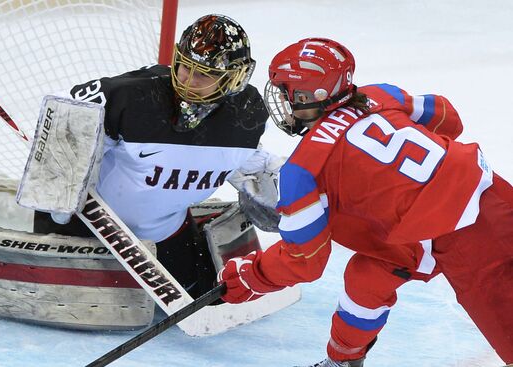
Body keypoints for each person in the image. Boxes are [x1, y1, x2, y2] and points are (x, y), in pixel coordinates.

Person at [217, 37, 513, 366]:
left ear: (308, 96)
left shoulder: (303, 172)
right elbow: (447, 117)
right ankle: (343, 359)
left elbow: (305, 261)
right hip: (494, 194)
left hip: (463, 241)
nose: (284, 102)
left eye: (287, 93)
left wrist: (250, 276)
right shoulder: (380, 94)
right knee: (366, 277)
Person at [33, 14, 281, 299]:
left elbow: (236, 155)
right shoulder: (134, 96)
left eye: (203, 74)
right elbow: (65, 112)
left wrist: (254, 171)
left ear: (236, 78)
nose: (187, 80)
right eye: (185, 66)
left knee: (201, 298)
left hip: (166, 235)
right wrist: (61, 184)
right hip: (88, 226)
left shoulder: (247, 113)